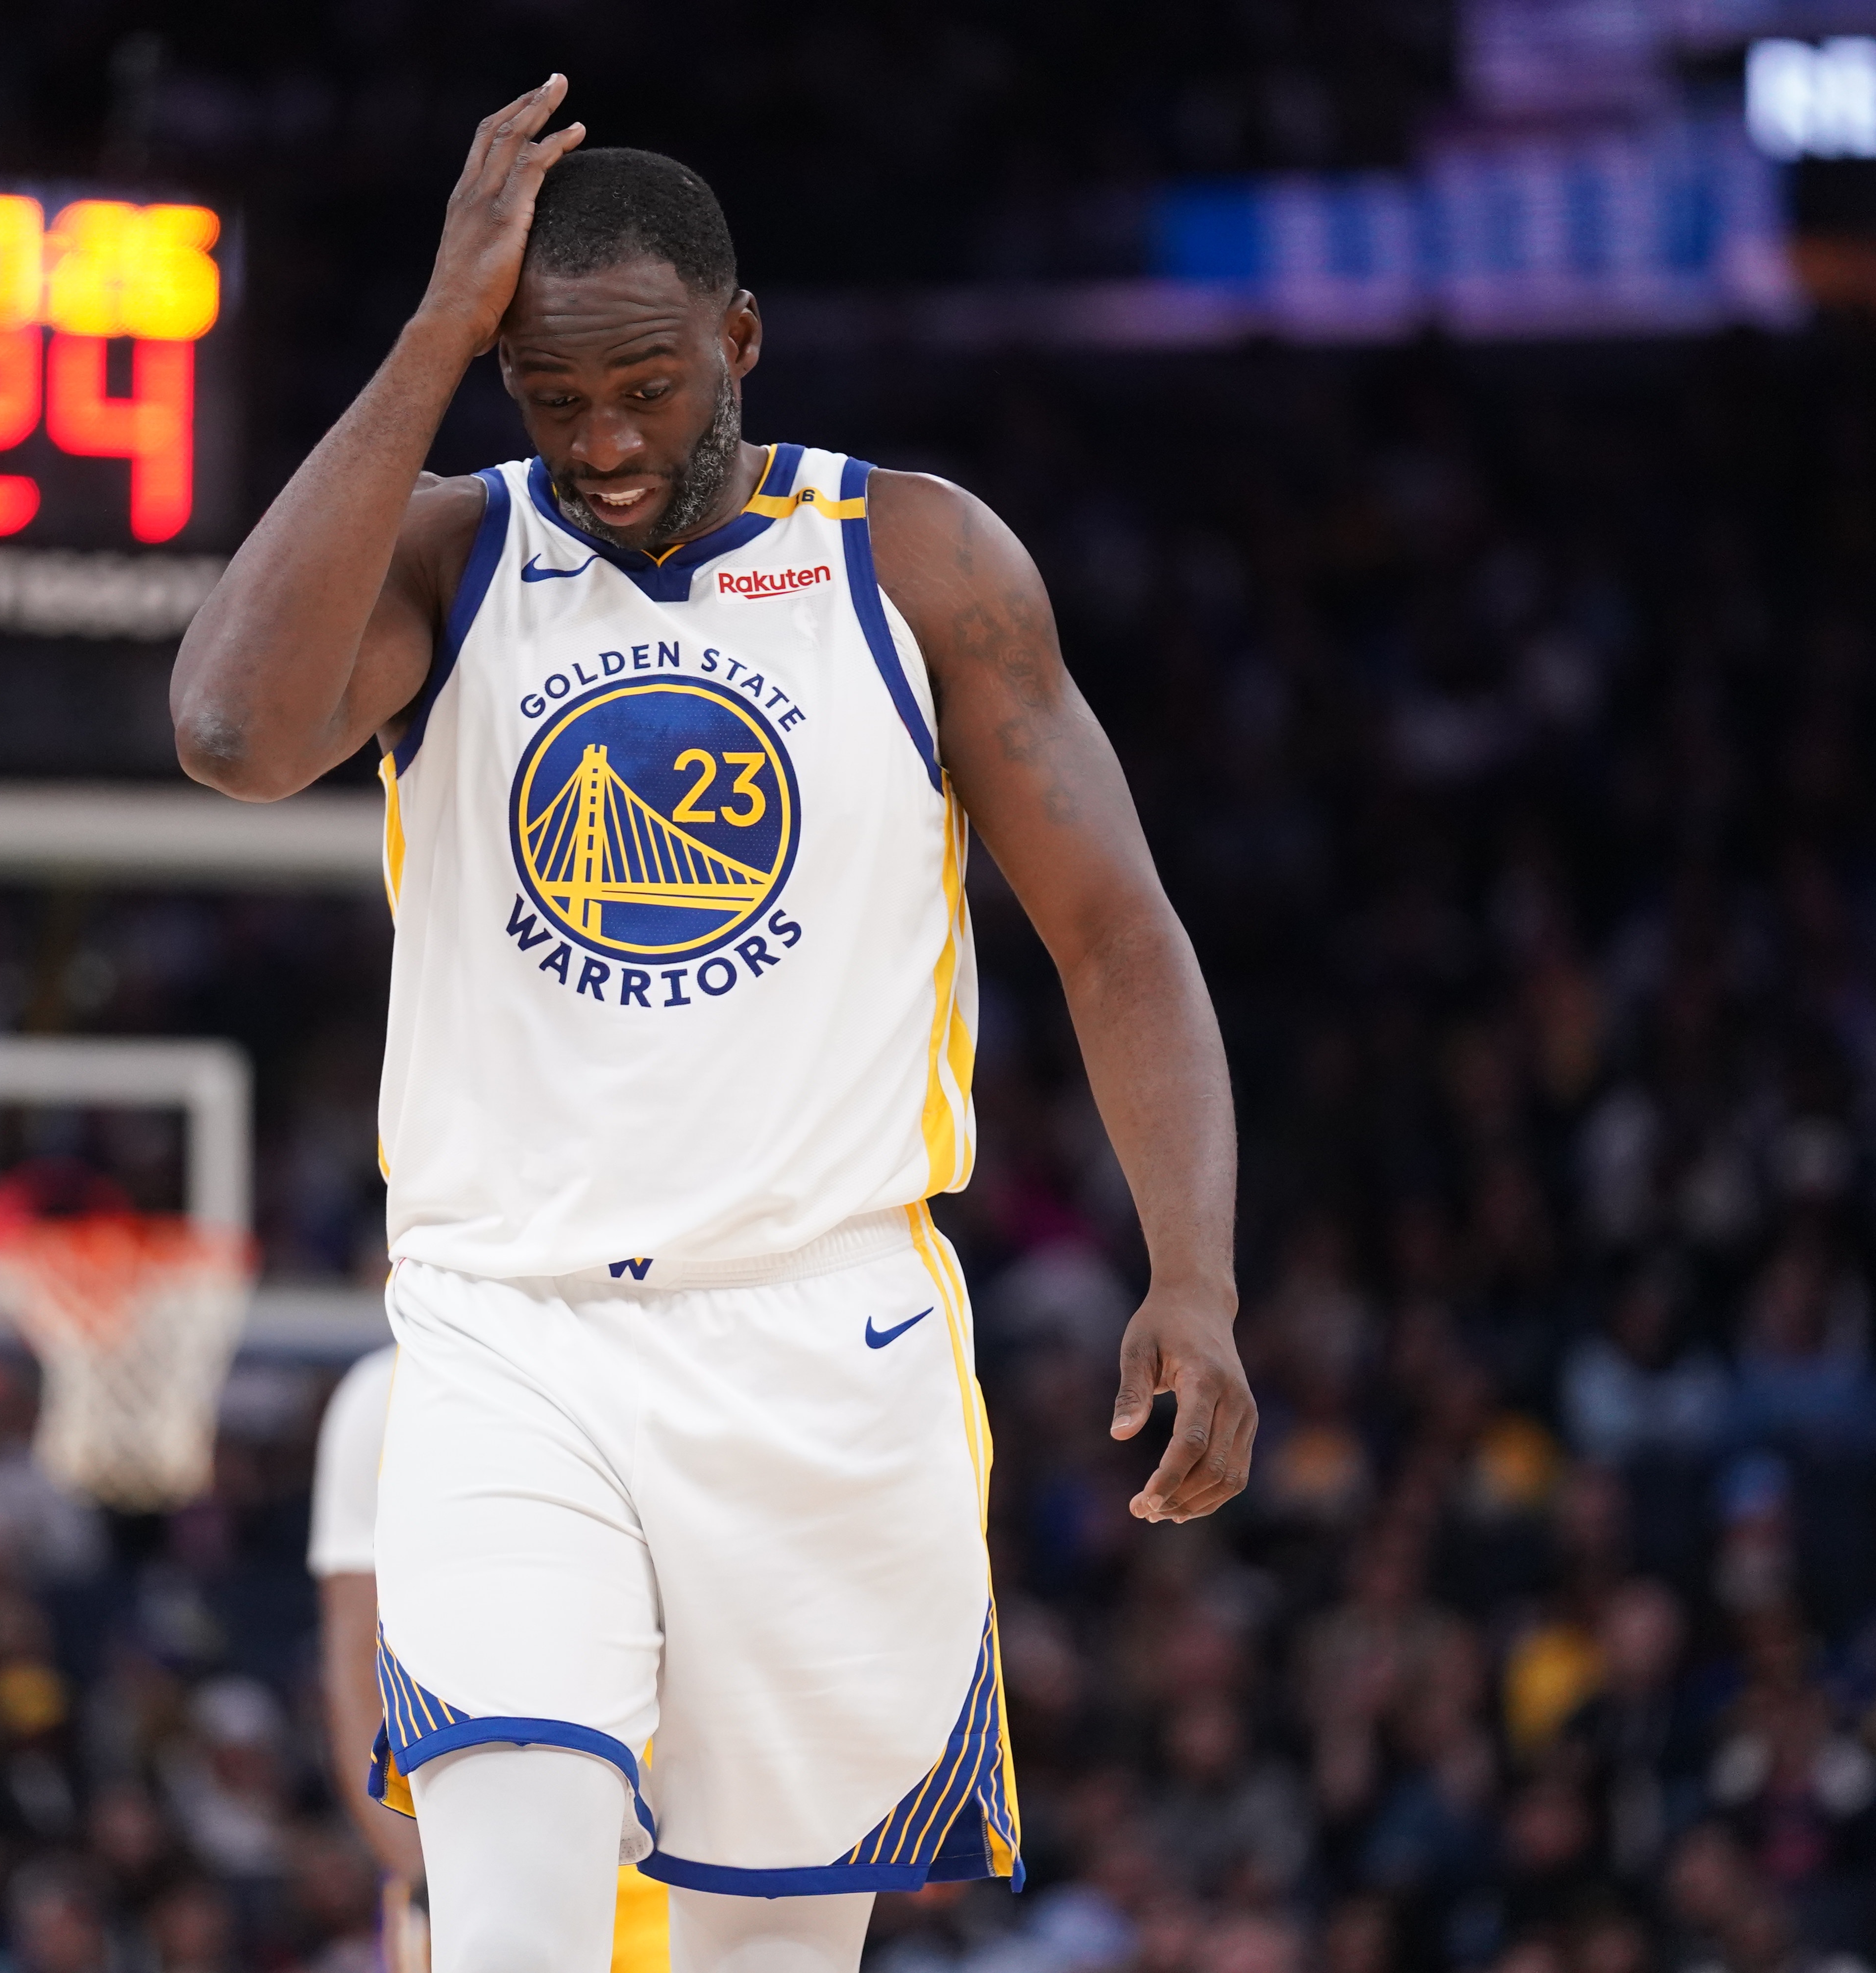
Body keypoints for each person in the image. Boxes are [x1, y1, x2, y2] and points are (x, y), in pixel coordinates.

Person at [170, 75, 1251, 1973]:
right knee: (508, 1932)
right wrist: (434, 332)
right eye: (549, 394)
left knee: (770, 1957)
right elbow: (231, 732)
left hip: (821, 1334)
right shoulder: (451, 553)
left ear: (740, 340)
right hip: (508, 1330)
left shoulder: (917, 563)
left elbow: (1117, 933)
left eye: (646, 388)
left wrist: (1197, 1273)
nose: (600, 443)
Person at [309, 1346, 668, 1973]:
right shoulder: (385, 1394)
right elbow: (356, 1662)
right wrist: (422, 1878)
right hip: (468, 1848)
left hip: (667, 1852)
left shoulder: (662, 1367)